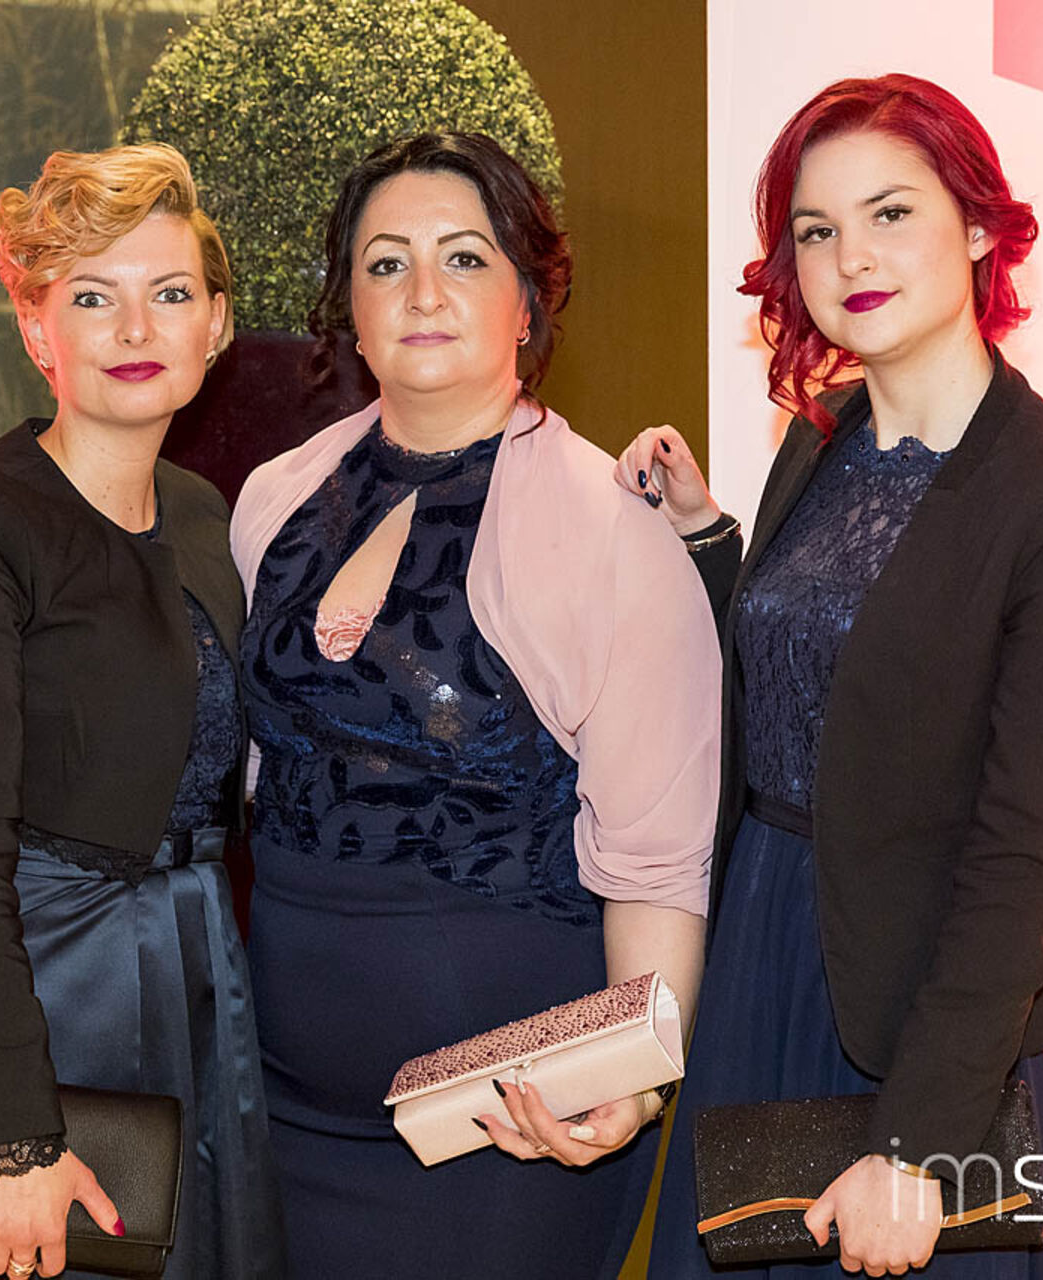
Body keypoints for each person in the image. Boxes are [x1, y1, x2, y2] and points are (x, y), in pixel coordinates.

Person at [619, 75, 1043, 1278]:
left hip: (925, 1016)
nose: (850, 255)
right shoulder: (823, 437)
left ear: (979, 228)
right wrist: (709, 540)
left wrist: (919, 1144)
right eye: (816, 229)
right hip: (762, 948)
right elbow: (828, 672)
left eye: (891, 213)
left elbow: (1025, 857)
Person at [227, 131, 720, 1278]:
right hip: (282, 1109)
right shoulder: (273, 497)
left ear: (527, 303)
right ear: (349, 310)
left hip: (510, 1125)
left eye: (463, 257)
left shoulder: (614, 531)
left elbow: (658, 864)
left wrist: (635, 1080)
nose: (423, 291)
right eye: (386, 263)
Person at [0, 144, 283, 1280]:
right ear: (36, 329)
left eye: (170, 293)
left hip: (187, 981)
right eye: (92, 297)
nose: (136, 328)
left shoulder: (205, 515)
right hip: (21, 1001)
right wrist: (13, 1137)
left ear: (216, 323)